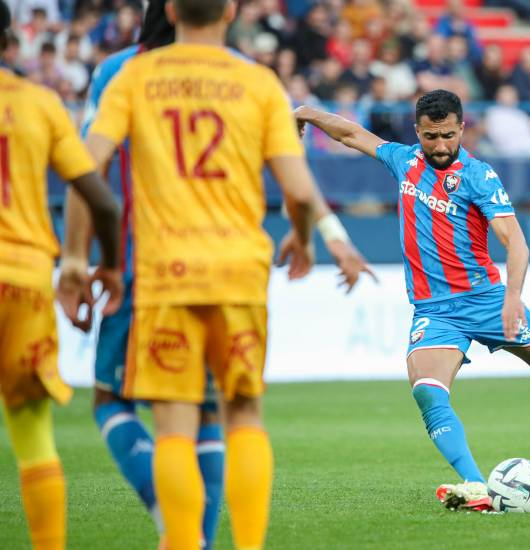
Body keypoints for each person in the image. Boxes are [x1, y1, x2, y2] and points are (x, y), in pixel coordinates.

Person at [61, 2, 372, 545]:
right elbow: (298, 190)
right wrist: (305, 237)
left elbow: (86, 171)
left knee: (175, 424)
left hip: (164, 274)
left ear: (172, 8)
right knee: (243, 415)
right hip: (238, 272)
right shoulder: (258, 82)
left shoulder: (132, 75)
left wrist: (74, 260)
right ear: (231, 10)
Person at [295, 89, 530, 512]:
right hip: (434, 311)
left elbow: (517, 244)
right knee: (428, 390)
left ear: (462, 129)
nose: (440, 146)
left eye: (448, 135)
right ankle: (476, 486)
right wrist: (306, 112)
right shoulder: (404, 161)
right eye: (431, 136)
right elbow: (351, 134)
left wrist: (512, 298)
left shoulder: (479, 176)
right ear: (418, 132)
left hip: (488, 300)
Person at [0, 1, 122, 549]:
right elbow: (102, 201)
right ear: (9, 41)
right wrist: (109, 265)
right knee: (33, 436)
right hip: (25, 284)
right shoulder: (38, 102)